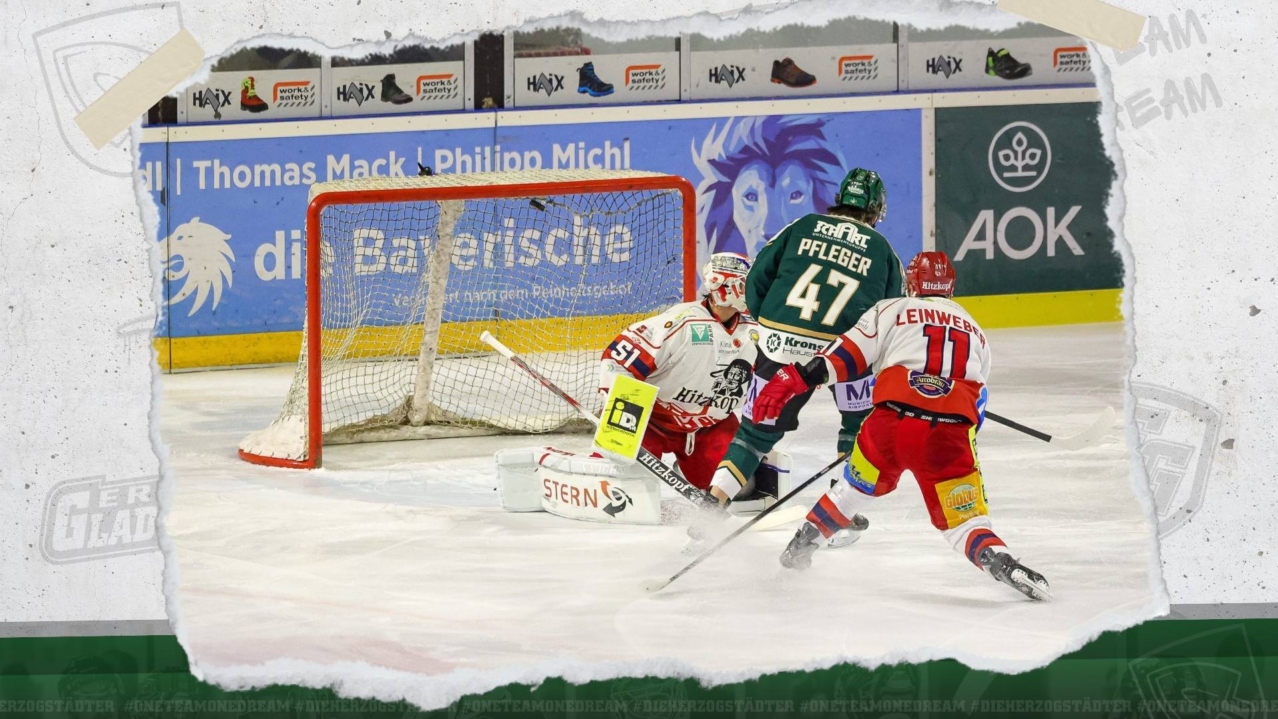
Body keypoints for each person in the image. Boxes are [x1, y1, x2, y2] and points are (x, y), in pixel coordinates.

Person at [753, 251, 1051, 601]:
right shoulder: (975, 331)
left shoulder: (892, 309)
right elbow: (978, 406)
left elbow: (845, 356)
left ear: (912, 283)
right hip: (950, 435)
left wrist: (799, 377)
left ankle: (799, 550)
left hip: (889, 426)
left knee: (852, 491)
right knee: (965, 521)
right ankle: (999, 560)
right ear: (950, 286)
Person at [706, 167, 905, 546]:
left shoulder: (802, 225)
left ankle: (710, 506)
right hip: (843, 353)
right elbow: (891, 315)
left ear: (840, 200)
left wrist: (771, 328)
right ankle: (840, 508)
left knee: (754, 433)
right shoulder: (882, 250)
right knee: (858, 427)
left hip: (779, 343)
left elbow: (757, 278)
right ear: (876, 209)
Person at [598, 252, 759, 492]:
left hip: (709, 426)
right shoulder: (680, 322)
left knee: (738, 490)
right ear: (722, 288)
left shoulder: (756, 329)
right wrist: (622, 419)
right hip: (651, 423)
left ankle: (689, 468)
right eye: (745, 284)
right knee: (623, 487)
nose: (754, 290)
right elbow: (617, 361)